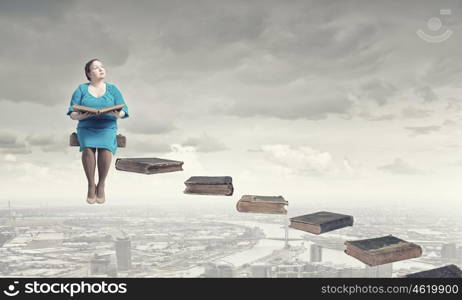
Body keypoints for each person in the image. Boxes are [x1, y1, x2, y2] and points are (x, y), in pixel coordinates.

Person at [67, 59, 129, 204]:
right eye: (96, 68)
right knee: (88, 148)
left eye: (102, 66)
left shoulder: (113, 89)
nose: (101, 69)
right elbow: (72, 113)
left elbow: (124, 110)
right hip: (86, 126)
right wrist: (82, 115)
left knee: (105, 149)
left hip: (107, 127)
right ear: (89, 73)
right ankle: (90, 184)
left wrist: (116, 114)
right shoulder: (81, 89)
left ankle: (101, 184)